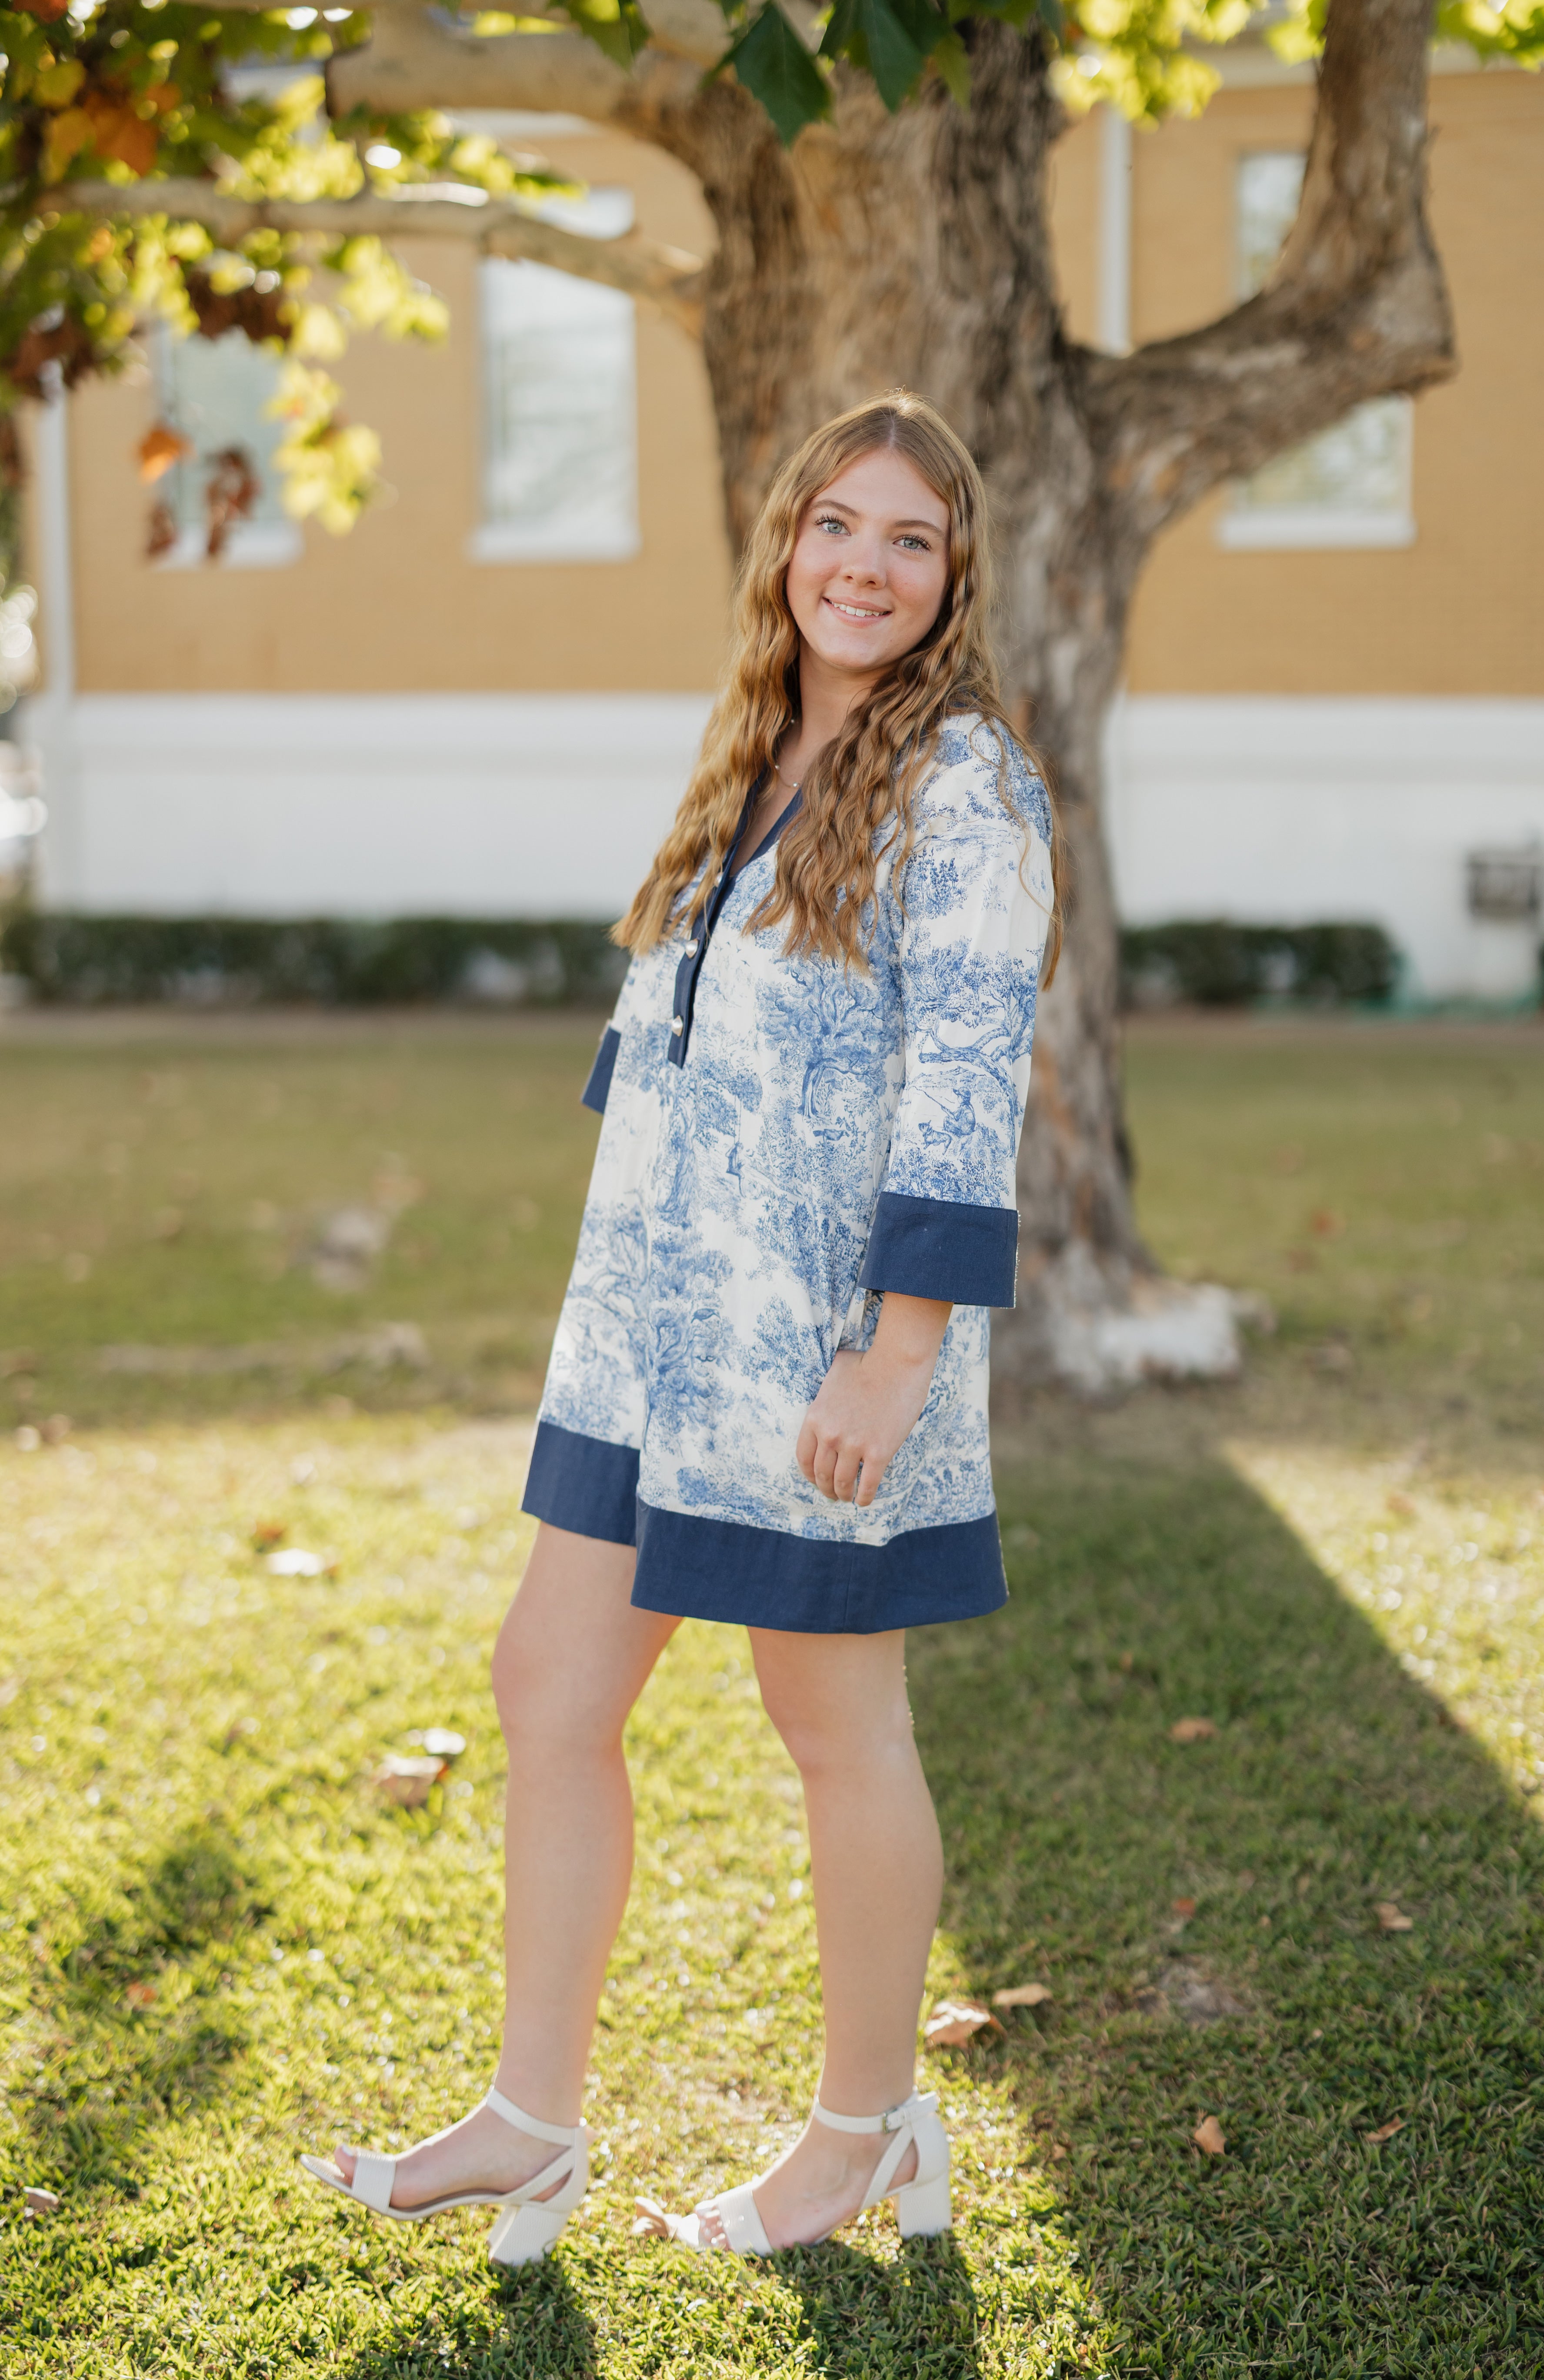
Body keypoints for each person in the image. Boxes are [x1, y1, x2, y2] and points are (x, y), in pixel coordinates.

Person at [302, 389, 1061, 2265]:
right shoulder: (750, 760)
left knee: (833, 1719)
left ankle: (867, 2136)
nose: (865, 567)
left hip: (820, 1353)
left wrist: (897, 1354)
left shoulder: (968, 781)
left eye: (909, 538)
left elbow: (970, 1079)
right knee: (550, 1691)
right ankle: (528, 2125)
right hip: (650, 1333)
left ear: (954, 574)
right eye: (837, 526)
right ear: (784, 542)